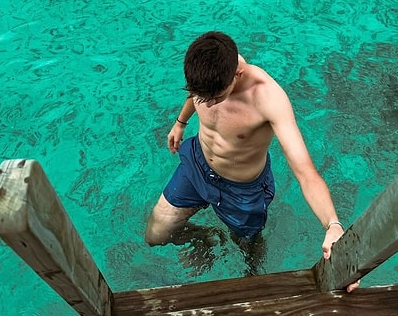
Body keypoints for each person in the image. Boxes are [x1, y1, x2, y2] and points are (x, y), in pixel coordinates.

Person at [145, 31, 358, 289]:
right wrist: (180, 123)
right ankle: (207, 237)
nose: (209, 104)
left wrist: (332, 225)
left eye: (216, 97)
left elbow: (306, 172)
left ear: (237, 74)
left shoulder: (268, 98)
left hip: (242, 190)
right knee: (156, 235)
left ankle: (254, 278)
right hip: (198, 164)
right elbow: (196, 93)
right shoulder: (209, 70)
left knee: (248, 248)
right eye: (202, 97)